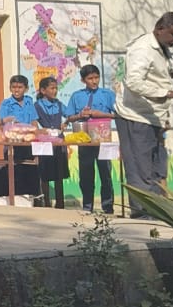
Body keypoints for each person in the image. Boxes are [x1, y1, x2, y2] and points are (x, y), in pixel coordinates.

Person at [116, 12, 173, 218]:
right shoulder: (142, 49)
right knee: (140, 170)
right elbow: (134, 82)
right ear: (160, 29)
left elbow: (162, 72)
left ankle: (156, 212)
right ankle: (142, 214)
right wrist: (168, 93)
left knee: (156, 169)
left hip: (154, 117)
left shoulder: (163, 47)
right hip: (135, 116)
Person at [65, 64, 116, 214]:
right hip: (85, 140)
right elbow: (69, 117)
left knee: (105, 174)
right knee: (86, 175)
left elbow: (117, 114)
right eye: (90, 78)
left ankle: (108, 206)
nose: (94, 81)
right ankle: (87, 206)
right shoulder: (77, 96)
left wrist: (101, 114)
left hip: (102, 139)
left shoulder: (107, 94)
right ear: (83, 80)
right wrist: (80, 115)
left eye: (96, 77)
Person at [34, 76, 68, 209]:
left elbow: (69, 114)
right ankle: (46, 202)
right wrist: (39, 130)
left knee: (59, 172)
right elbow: (33, 121)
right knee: (45, 172)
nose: (55, 91)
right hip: (45, 141)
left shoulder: (58, 104)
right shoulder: (37, 105)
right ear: (43, 90)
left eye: (56, 88)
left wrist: (66, 122)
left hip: (59, 141)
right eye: (52, 88)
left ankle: (60, 203)